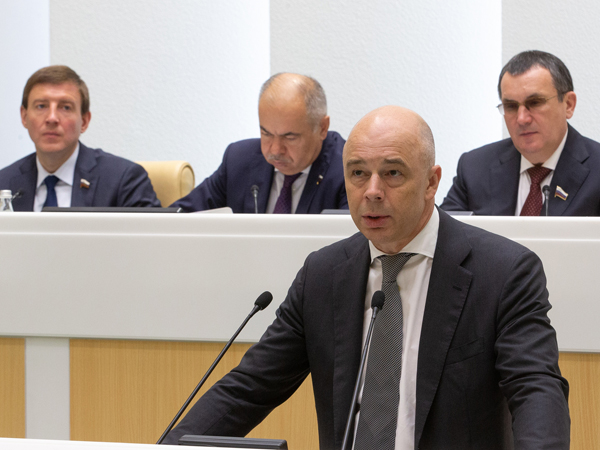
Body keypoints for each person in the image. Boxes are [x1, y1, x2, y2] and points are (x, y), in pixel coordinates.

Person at [162, 106, 570, 449]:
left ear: (431, 182)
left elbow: (536, 390)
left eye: (392, 174)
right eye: (358, 173)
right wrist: (166, 449)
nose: (372, 191)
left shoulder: (503, 272)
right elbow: (249, 388)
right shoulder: (324, 275)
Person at [441, 50, 600, 216]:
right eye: (511, 106)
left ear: (568, 104)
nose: (522, 119)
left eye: (535, 102)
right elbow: (445, 230)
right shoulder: (475, 168)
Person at [171, 73, 347, 213]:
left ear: (322, 128)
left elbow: (354, 243)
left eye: (290, 137)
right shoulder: (238, 160)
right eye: (266, 133)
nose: (275, 150)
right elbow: (178, 220)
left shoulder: (349, 171)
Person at [0, 65, 160, 211]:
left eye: (65, 107)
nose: (52, 118)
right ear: (24, 117)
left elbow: (153, 234)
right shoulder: (4, 182)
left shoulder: (123, 180)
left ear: (84, 121)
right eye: (41, 106)